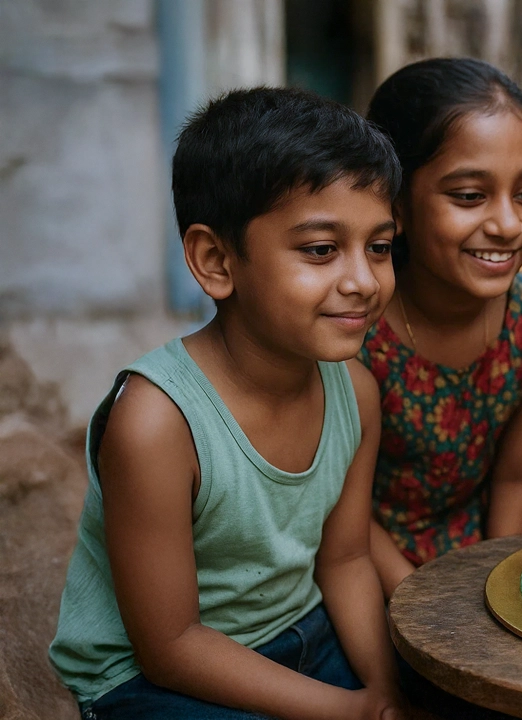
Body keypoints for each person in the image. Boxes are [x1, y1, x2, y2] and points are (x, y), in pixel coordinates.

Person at [48, 88, 404, 719]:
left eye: (378, 246)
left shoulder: (356, 392)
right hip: (153, 677)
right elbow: (171, 645)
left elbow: (346, 559)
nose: (364, 280)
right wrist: (347, 711)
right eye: (321, 250)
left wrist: (382, 692)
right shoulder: (157, 422)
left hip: (305, 631)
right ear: (216, 261)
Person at [361, 58, 522, 596]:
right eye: (469, 196)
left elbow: (513, 482)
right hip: (361, 571)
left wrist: (494, 591)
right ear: (396, 203)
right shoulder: (351, 334)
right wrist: (426, 612)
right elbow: (338, 517)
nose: (508, 225)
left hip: (482, 560)